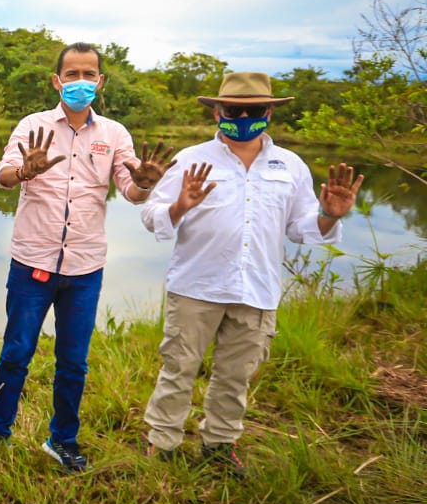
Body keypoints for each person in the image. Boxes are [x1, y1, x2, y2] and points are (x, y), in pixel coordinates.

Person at [140, 72, 362, 476]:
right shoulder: (190, 159)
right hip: (196, 286)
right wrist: (179, 207)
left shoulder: (290, 166)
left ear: (270, 112)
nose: (243, 116)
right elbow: (151, 214)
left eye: (254, 110)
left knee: (236, 374)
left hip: (257, 289)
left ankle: (220, 445)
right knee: (179, 367)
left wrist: (330, 215)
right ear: (217, 111)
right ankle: (163, 441)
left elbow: (301, 228)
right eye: (233, 109)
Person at [0, 42, 173, 472]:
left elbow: (133, 191)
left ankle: (62, 439)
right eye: (72, 74)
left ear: (99, 82)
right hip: (32, 261)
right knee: (15, 352)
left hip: (84, 267)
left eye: (88, 74)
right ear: (56, 80)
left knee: (73, 361)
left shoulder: (114, 135)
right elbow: (3, 177)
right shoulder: (33, 126)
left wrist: (147, 183)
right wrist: (25, 171)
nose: (80, 82)